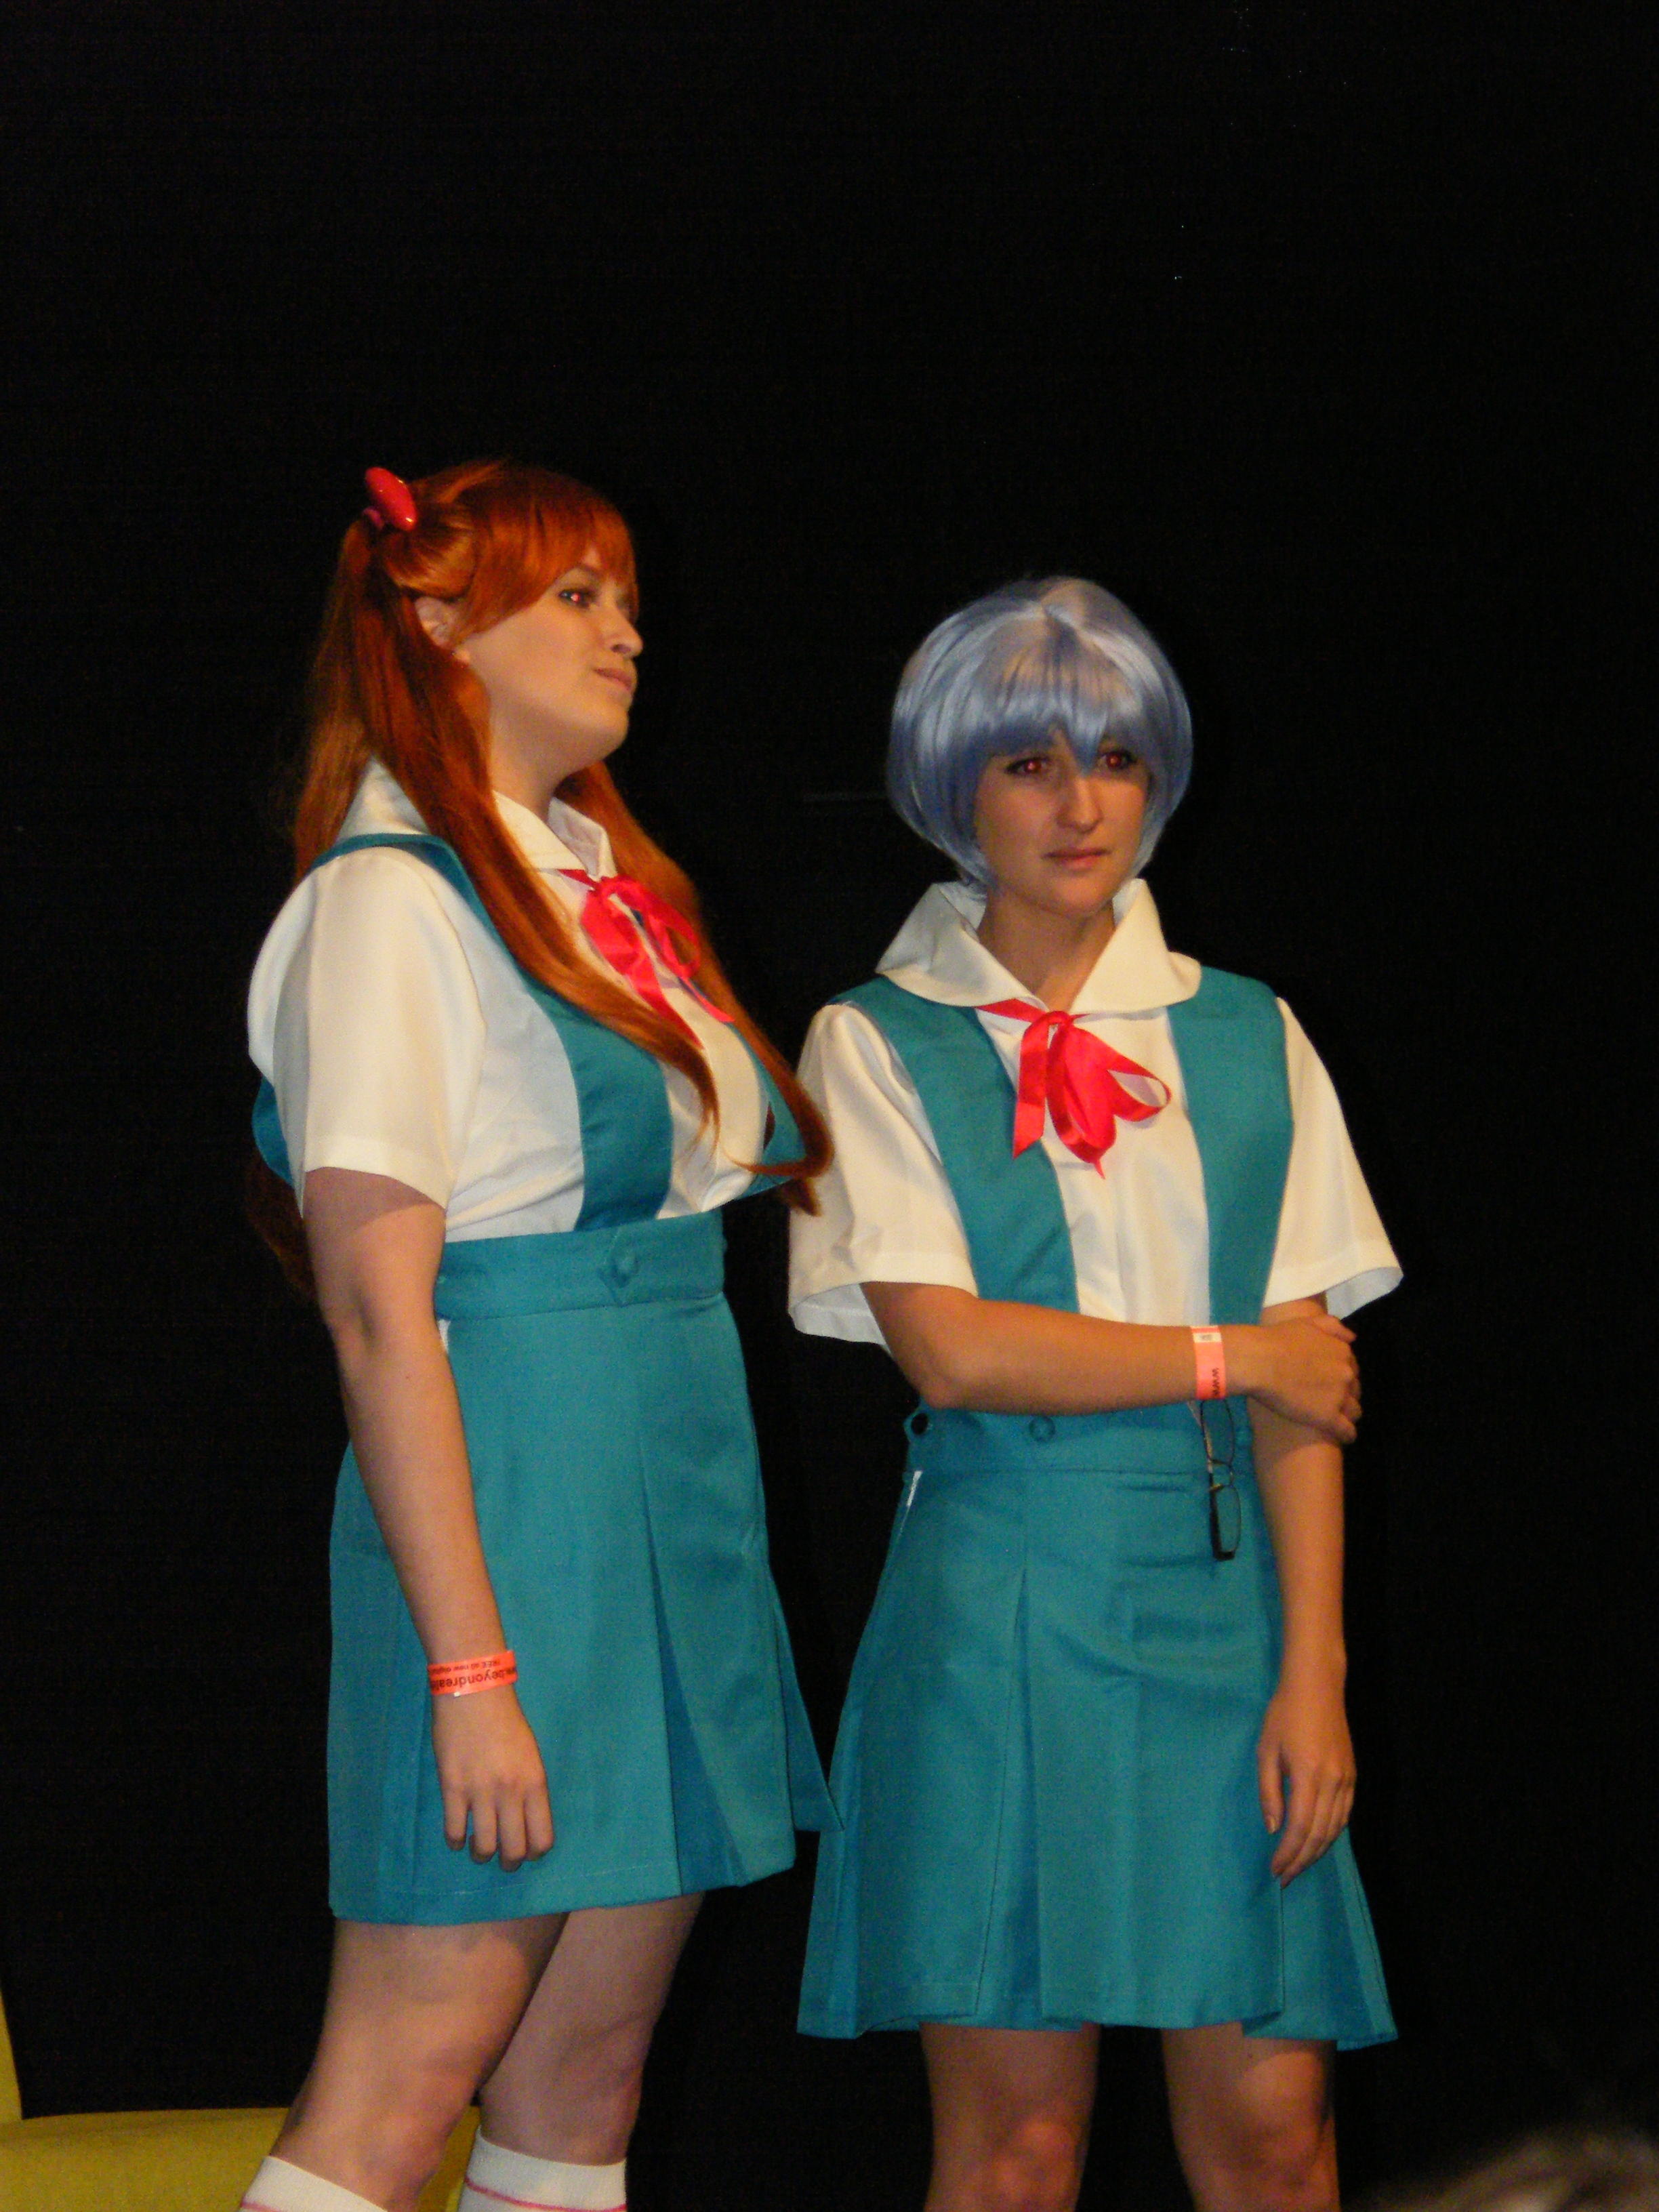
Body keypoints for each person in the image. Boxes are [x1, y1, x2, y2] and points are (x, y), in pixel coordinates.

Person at [240, 460, 832, 2212]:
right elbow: (378, 1314)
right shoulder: (387, 902)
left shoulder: (600, 886)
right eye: (576, 596)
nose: (626, 631)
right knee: (405, 2075)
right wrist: (470, 1673)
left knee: (586, 2079)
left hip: (675, 1481)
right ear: (437, 621)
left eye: (627, 597)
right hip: (514, 1502)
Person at [789, 579, 1399, 2212]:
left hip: (1228, 1622)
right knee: (1016, 2155)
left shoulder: (1253, 1034)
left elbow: (1310, 1395)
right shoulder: (873, 1040)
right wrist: (1229, 1355)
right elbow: (955, 1350)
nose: (1081, 805)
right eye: (1032, 763)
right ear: (955, 787)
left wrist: (1317, 1672)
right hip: (999, 1604)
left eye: (1117, 759)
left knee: (1279, 2143)